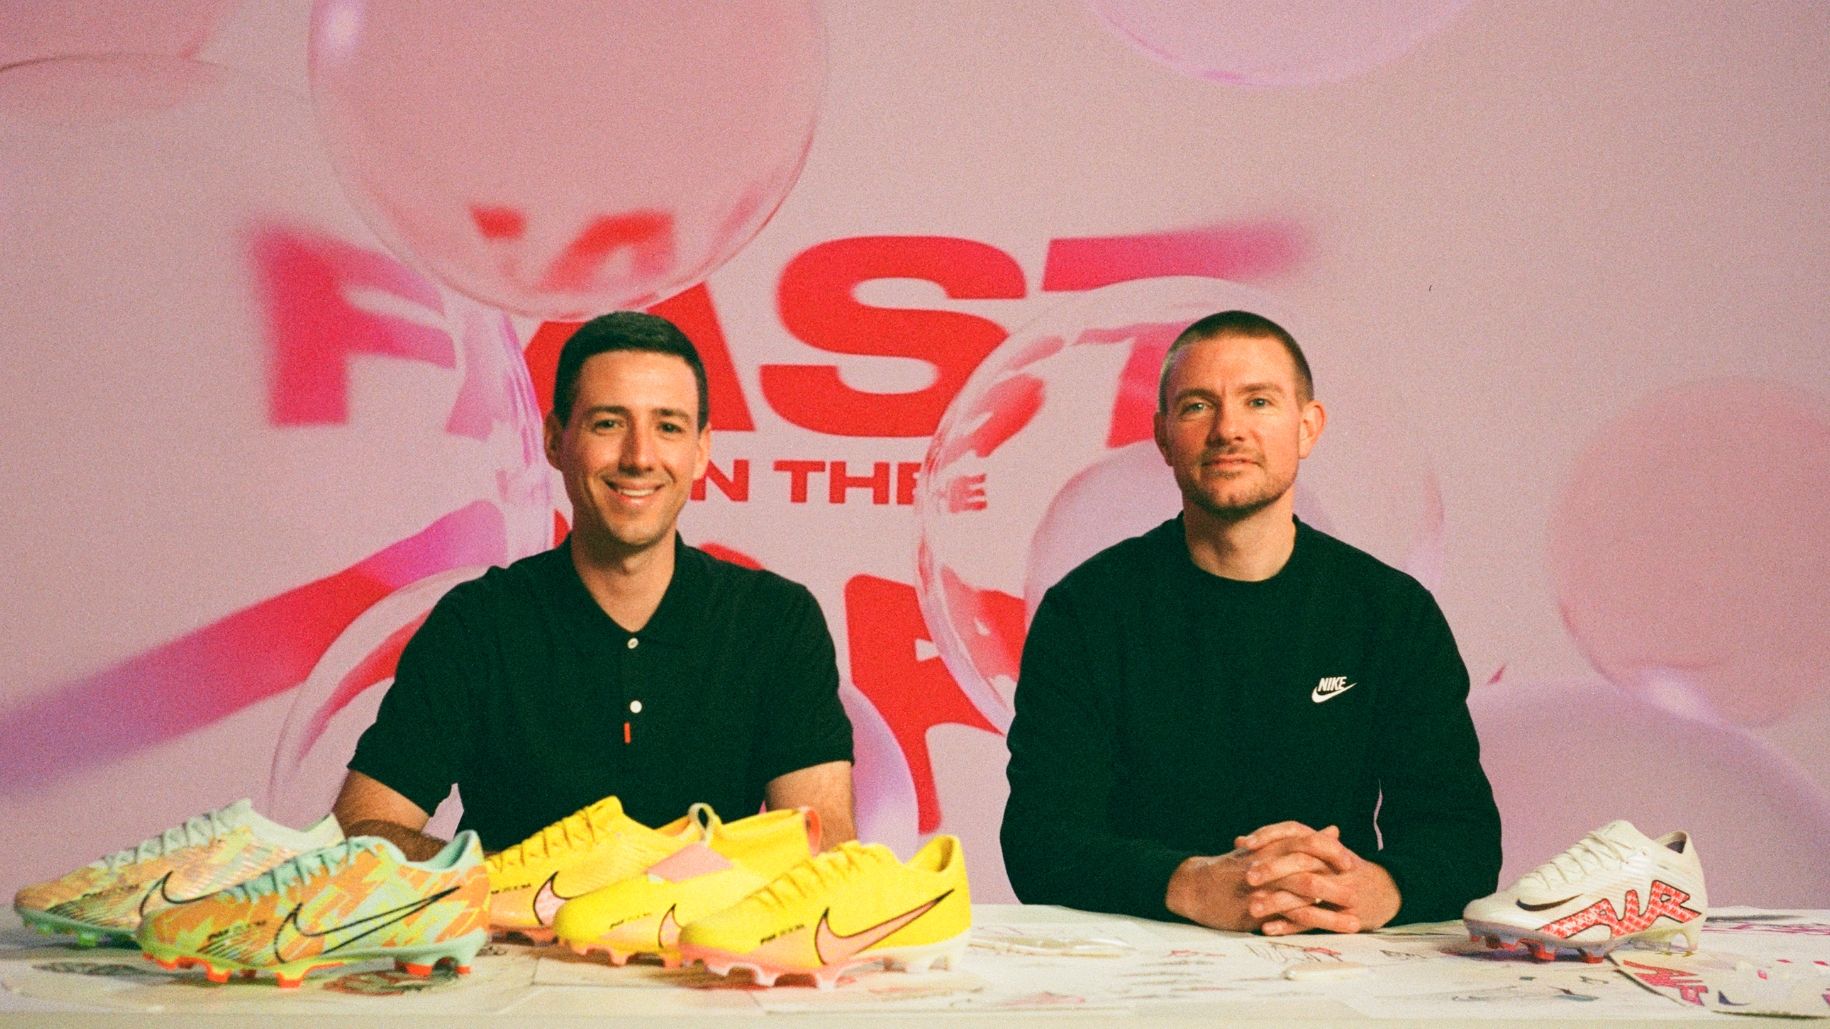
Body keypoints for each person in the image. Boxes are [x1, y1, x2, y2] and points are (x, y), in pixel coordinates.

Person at [1001, 310, 1500, 934]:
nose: (1228, 430)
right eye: (1197, 407)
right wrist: (1189, 885)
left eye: (1258, 402)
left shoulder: (1391, 613)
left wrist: (1379, 889)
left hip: (1336, 956)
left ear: (1307, 427)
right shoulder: (1087, 611)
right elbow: (1040, 839)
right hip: (1139, 957)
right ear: (1162, 436)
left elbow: (1461, 835)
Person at [334, 312, 856, 859]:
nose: (639, 458)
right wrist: (530, 885)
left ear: (701, 451)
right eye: (608, 423)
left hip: (713, 918)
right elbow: (360, 833)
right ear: (555, 441)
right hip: (510, 914)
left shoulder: (776, 620)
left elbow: (824, 847)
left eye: (669, 427)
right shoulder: (477, 622)